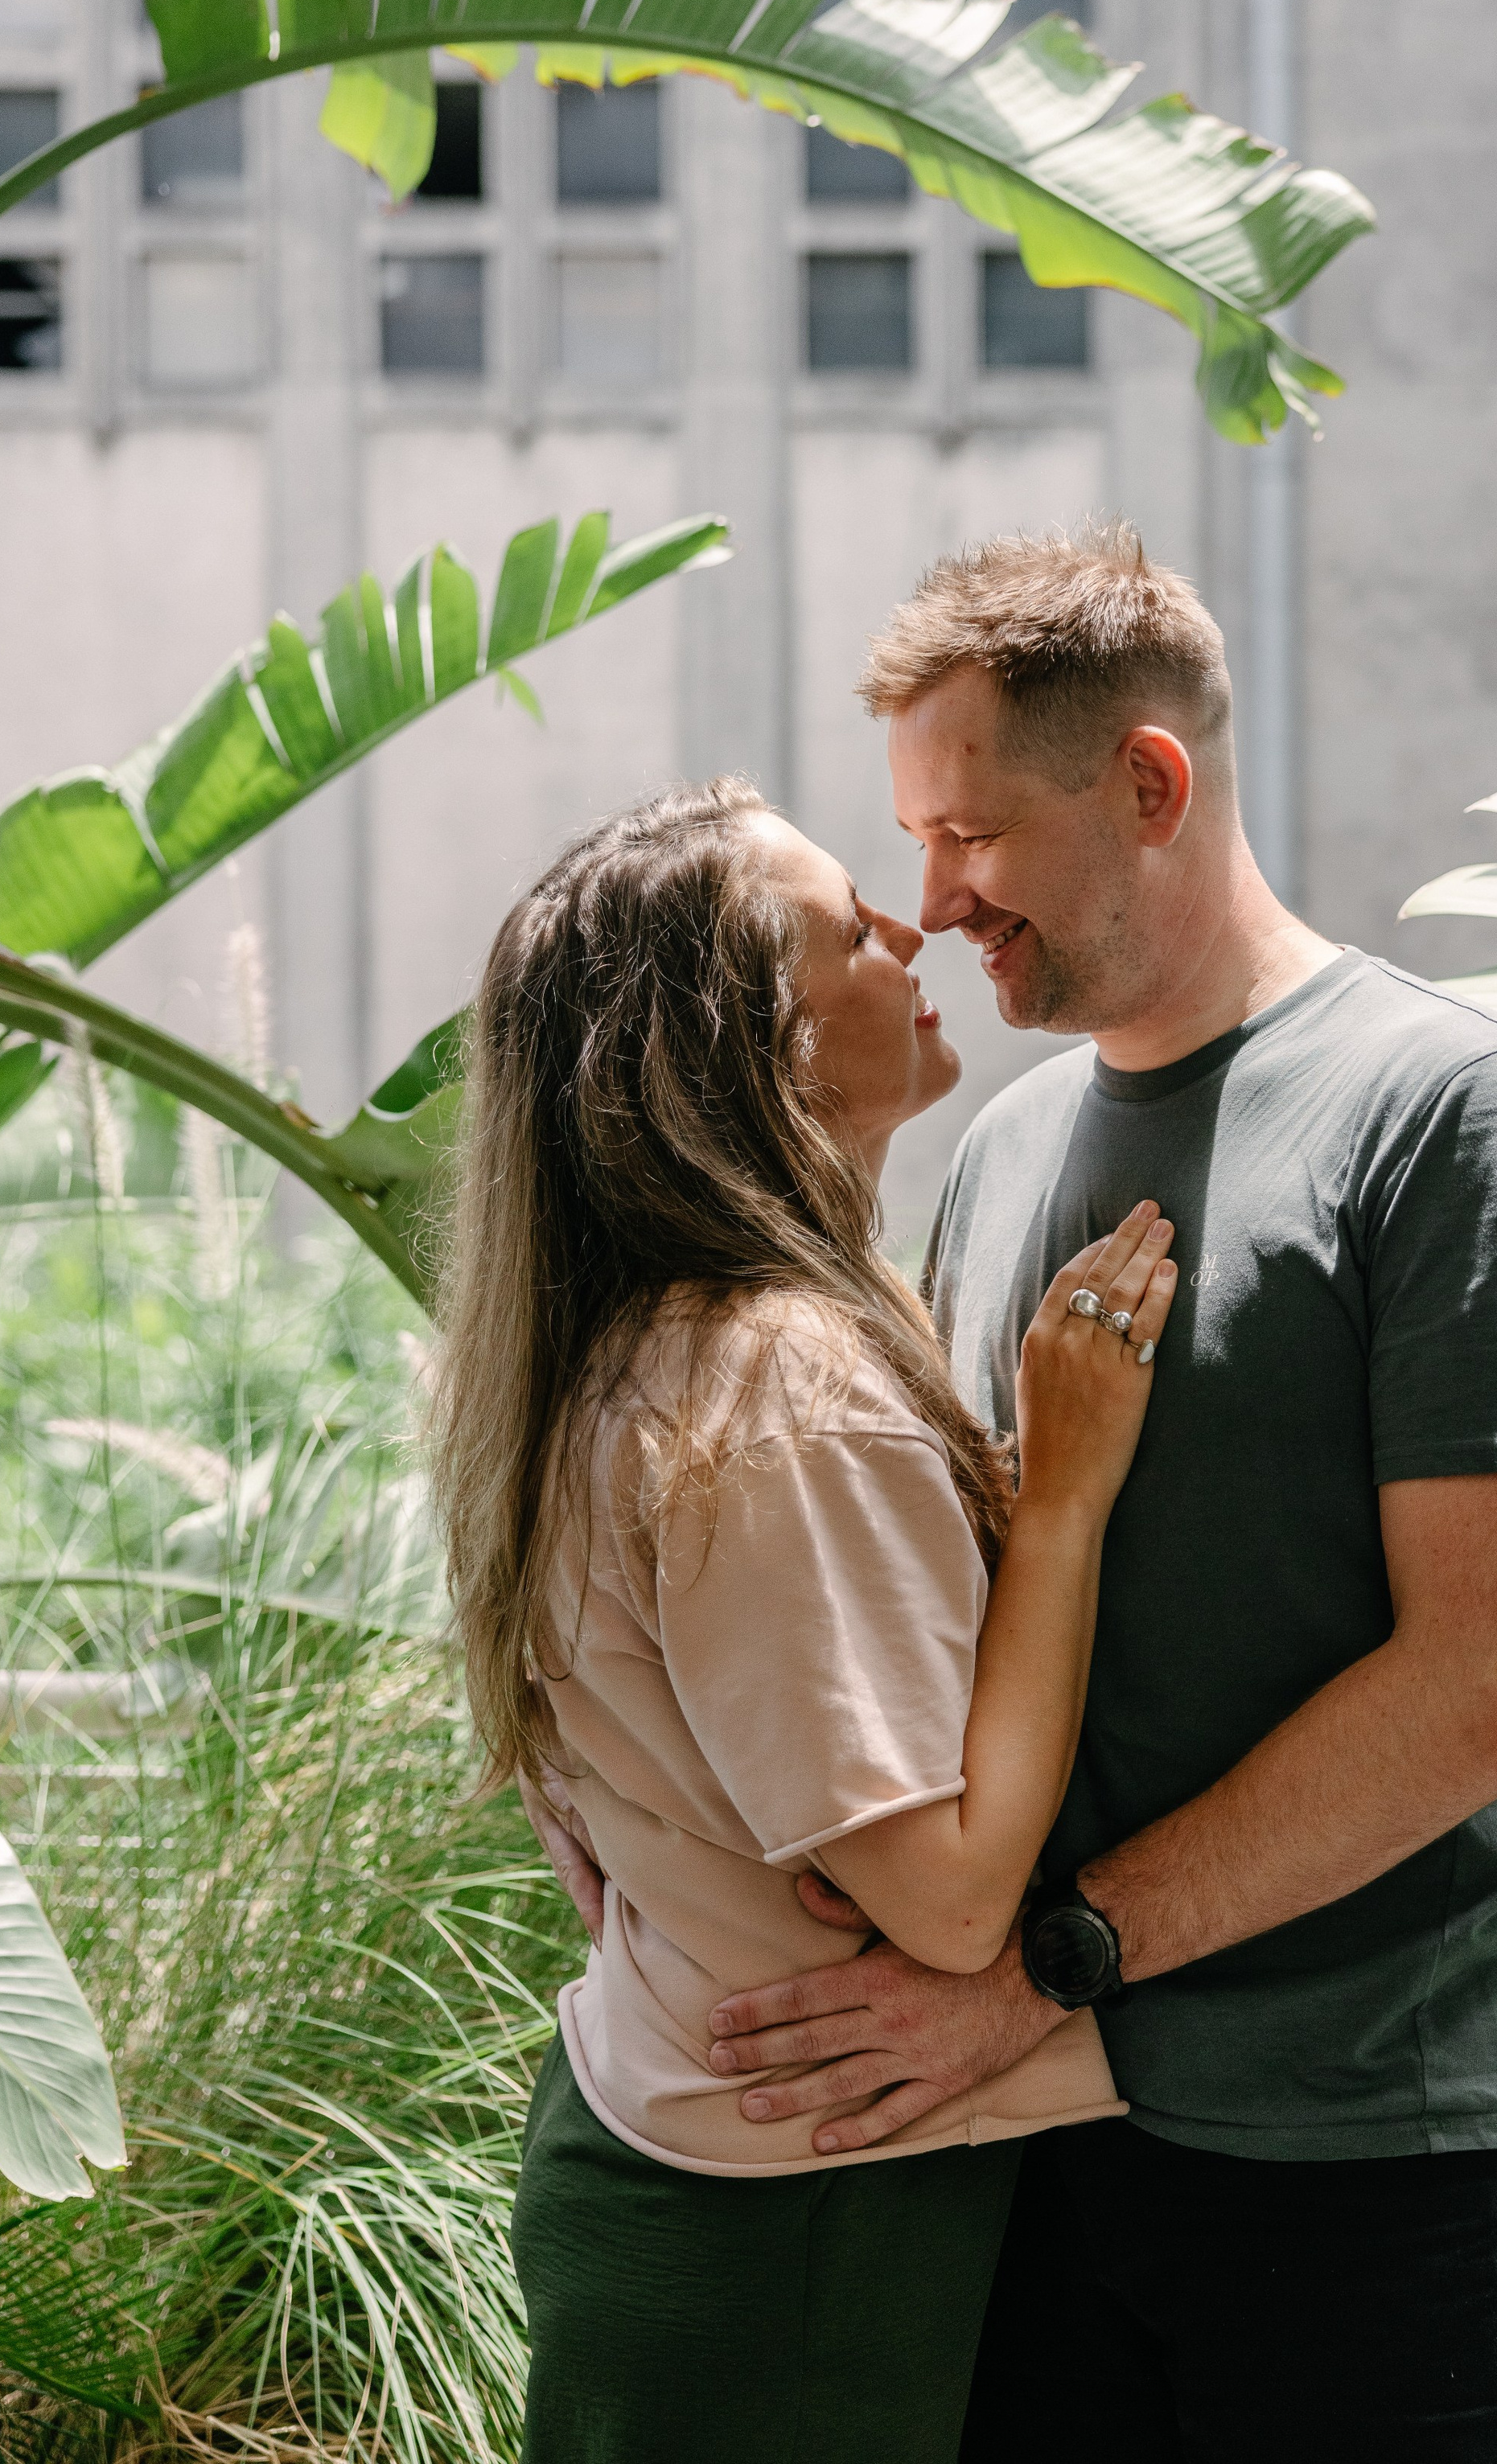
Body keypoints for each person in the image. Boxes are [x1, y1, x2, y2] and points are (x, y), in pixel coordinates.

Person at [701, 524, 1497, 2462]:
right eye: (913, 832)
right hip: (1039, 2129)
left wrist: (1054, 1963)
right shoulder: (1010, 1141)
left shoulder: (1456, 1119)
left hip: (1370, 2155)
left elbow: (1490, 1686)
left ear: (1147, 784)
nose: (934, 894)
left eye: (971, 833)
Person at [424, 777, 1178, 2464]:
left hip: (712, 2158)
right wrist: (1057, 1491)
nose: (908, 927)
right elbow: (953, 1889)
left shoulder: (643, 1346)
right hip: (790, 2224)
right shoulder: (775, 1396)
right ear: (756, 1047)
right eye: (852, 923)